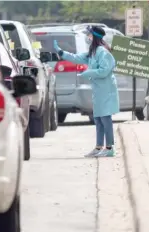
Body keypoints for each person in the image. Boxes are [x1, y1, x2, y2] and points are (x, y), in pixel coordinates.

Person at [53, 26, 119, 157]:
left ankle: (110, 147)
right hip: (99, 90)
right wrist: (61, 53)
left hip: (106, 90)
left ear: (94, 36)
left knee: (105, 119)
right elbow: (77, 58)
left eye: (89, 34)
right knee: (98, 120)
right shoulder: (92, 52)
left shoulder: (102, 52)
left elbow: (104, 70)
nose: (87, 37)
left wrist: (89, 72)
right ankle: (99, 147)